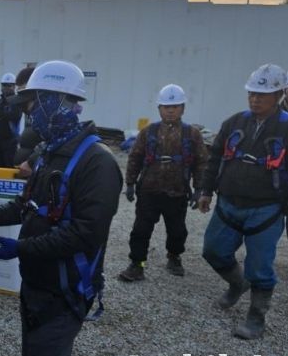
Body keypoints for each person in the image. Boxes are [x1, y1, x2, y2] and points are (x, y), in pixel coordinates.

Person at [0, 60, 122, 356]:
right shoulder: (49, 153)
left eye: (32, 105)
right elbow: (22, 207)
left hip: (65, 292)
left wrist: (20, 248)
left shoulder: (97, 163)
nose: (28, 114)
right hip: (37, 285)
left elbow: (85, 234)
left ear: (56, 102)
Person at [198, 63, 288, 340]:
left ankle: (256, 317)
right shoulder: (234, 123)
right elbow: (215, 158)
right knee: (213, 251)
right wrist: (206, 191)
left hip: (266, 209)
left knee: (259, 265)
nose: (255, 99)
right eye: (252, 93)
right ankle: (238, 283)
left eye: (263, 94)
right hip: (228, 204)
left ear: (280, 95)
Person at [119, 84, 209, 281]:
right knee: (141, 230)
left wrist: (198, 189)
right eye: (166, 106)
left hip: (177, 192)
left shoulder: (192, 134)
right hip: (149, 191)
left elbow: (202, 162)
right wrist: (130, 183)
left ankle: (174, 257)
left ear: (183, 108)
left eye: (175, 106)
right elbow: (135, 157)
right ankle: (137, 265)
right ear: (159, 108)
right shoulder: (148, 132)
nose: (170, 110)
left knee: (177, 231)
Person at [0, 72, 23, 167]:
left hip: (10, 140)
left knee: (9, 166)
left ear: (14, 86)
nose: (6, 88)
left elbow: (16, 116)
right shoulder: (0, 101)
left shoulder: (17, 101)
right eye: (4, 85)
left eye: (9, 85)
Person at [12, 66, 40, 178]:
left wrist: (31, 162)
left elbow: (52, 145)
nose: (23, 106)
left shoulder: (51, 122)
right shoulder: (30, 117)